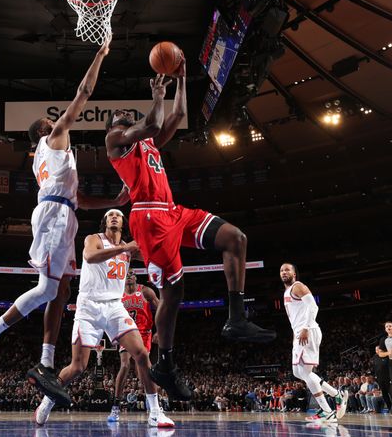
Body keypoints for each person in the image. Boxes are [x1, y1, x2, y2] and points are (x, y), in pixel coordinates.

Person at [104, 61, 275, 401]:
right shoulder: (116, 140)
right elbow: (152, 121)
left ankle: (236, 317)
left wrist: (181, 80)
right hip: (148, 219)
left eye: (126, 111)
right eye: (118, 113)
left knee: (235, 238)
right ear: (113, 126)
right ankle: (166, 364)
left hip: (173, 211)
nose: (123, 112)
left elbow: (177, 116)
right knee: (174, 293)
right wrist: (156, 97)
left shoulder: (148, 143)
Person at [0, 37, 127, 394]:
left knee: (61, 290)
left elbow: (80, 199)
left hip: (63, 212)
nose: (57, 121)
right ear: (45, 130)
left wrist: (114, 200)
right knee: (48, 288)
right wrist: (100, 55)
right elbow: (83, 94)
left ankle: (43, 361)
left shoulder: (55, 159)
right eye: (50, 121)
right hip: (55, 216)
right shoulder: (54, 139)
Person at [32, 209, 174, 428]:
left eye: (118, 215)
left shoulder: (128, 248)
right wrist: (126, 248)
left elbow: (153, 256)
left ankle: (155, 412)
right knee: (78, 366)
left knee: (142, 354)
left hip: (115, 306)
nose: (114, 217)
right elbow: (90, 256)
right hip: (89, 307)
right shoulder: (94, 239)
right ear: (105, 222)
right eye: (110, 215)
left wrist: (154, 241)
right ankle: (48, 400)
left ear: (124, 222)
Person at [279, 262, 347, 423]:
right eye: (281, 270)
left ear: (294, 274)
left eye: (287, 270)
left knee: (306, 373)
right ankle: (336, 395)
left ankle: (328, 409)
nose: (283, 272)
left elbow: (313, 307)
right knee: (298, 373)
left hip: (308, 331)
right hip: (300, 333)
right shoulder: (287, 291)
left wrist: (305, 328)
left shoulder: (298, 286)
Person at [109, 269, 159, 422]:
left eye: (132, 274)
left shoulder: (145, 291)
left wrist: (159, 330)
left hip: (144, 333)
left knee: (141, 370)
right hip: (127, 331)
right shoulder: (117, 294)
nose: (129, 276)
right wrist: (113, 333)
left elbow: (161, 307)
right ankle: (115, 407)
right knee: (124, 366)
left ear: (136, 277)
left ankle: (153, 406)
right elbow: (109, 314)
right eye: (127, 274)